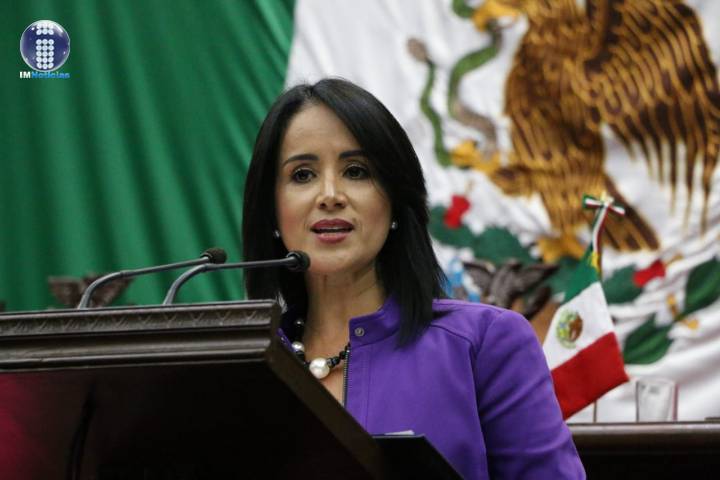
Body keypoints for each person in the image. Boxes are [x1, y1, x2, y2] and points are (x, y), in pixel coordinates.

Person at [242, 78, 585, 479]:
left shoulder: (485, 344)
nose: (330, 194)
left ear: (394, 201)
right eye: (302, 175)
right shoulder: (245, 365)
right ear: (271, 210)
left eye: (356, 171)